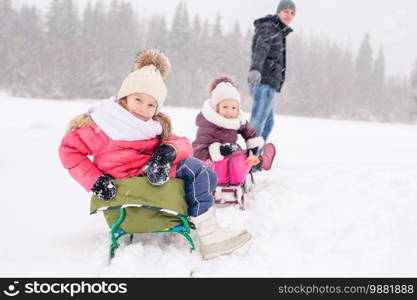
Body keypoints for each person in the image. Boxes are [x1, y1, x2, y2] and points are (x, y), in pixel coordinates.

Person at [58, 50, 251, 260]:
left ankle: (208, 230)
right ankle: (209, 235)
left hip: (151, 177)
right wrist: (96, 181)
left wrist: (165, 153)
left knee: (205, 173)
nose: (143, 109)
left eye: (151, 104)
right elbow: (69, 150)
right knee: (198, 172)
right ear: (125, 98)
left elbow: (184, 143)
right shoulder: (104, 125)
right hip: (125, 188)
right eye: (138, 99)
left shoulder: (152, 127)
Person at [192, 76, 276, 173]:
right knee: (237, 156)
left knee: (241, 154)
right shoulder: (208, 124)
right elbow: (198, 152)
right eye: (225, 107)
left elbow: (248, 131)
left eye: (233, 108)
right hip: (210, 164)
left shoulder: (236, 120)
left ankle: (258, 162)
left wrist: (252, 146)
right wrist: (220, 150)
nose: (229, 112)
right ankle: (254, 164)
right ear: (216, 107)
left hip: (229, 159)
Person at [248, 0, 296, 144]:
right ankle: (250, 156)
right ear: (278, 12)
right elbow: (261, 48)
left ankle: (257, 154)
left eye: (292, 13)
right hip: (262, 81)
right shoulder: (269, 27)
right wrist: (255, 68)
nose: (289, 15)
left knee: (267, 123)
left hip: (269, 83)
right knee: (258, 122)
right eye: (286, 11)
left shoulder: (278, 31)